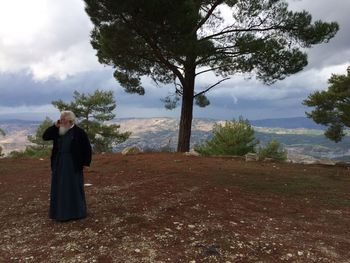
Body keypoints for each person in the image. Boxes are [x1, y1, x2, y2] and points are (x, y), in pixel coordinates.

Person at [42, 111, 92, 222]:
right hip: (59, 163)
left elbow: (87, 148)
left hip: (73, 163)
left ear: (70, 120)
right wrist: (55, 126)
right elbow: (45, 136)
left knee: (73, 187)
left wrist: (86, 163)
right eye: (60, 119)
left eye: (63, 119)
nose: (61, 121)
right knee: (59, 187)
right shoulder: (58, 130)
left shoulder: (79, 132)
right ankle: (59, 213)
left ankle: (77, 213)